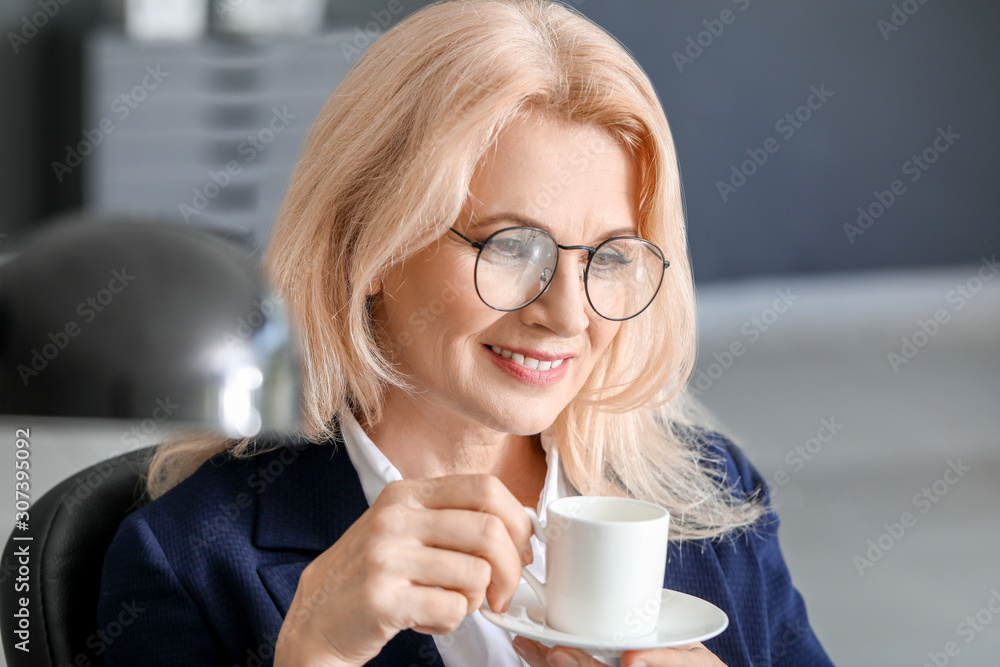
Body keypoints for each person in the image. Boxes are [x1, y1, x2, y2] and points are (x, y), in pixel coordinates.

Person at [97, 1, 834, 665]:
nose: (569, 316)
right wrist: (315, 653)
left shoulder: (710, 497)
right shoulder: (188, 559)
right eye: (511, 245)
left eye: (608, 257)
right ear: (370, 245)